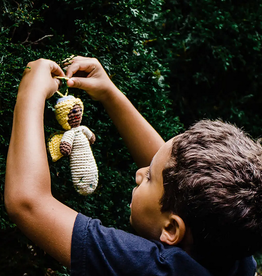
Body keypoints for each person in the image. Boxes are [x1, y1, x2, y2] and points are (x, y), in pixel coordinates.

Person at [4, 57, 262, 276]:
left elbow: (28, 202)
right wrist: (109, 93)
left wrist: (30, 93)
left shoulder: (151, 268)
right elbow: (178, 182)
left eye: (148, 177)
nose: (139, 173)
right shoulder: (236, 251)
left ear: (172, 229)